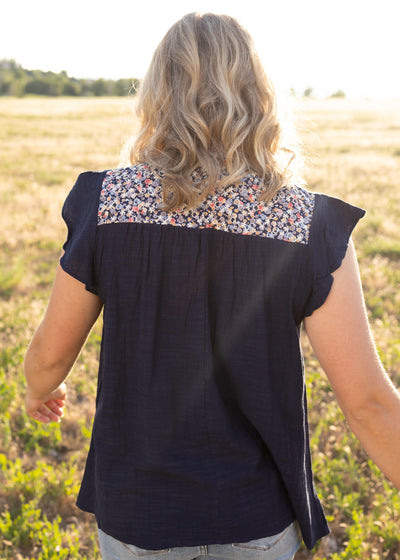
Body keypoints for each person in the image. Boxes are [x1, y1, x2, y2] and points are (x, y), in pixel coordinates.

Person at [24, 12, 400, 560]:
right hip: (256, 516)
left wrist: (40, 390)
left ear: (157, 94)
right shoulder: (307, 223)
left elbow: (49, 358)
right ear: (262, 95)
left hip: (138, 515)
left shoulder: (106, 203)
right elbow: (368, 403)